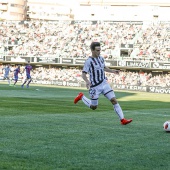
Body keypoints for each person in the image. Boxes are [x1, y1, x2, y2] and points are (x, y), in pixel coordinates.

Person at [74, 42, 132, 125]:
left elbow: (104, 68)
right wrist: (87, 81)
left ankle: (122, 120)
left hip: (104, 83)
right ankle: (81, 96)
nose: (99, 52)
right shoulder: (89, 61)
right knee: (94, 107)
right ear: (92, 50)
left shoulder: (101, 58)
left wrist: (113, 71)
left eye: (100, 50)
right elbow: (83, 74)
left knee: (114, 100)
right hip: (94, 87)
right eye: (97, 50)